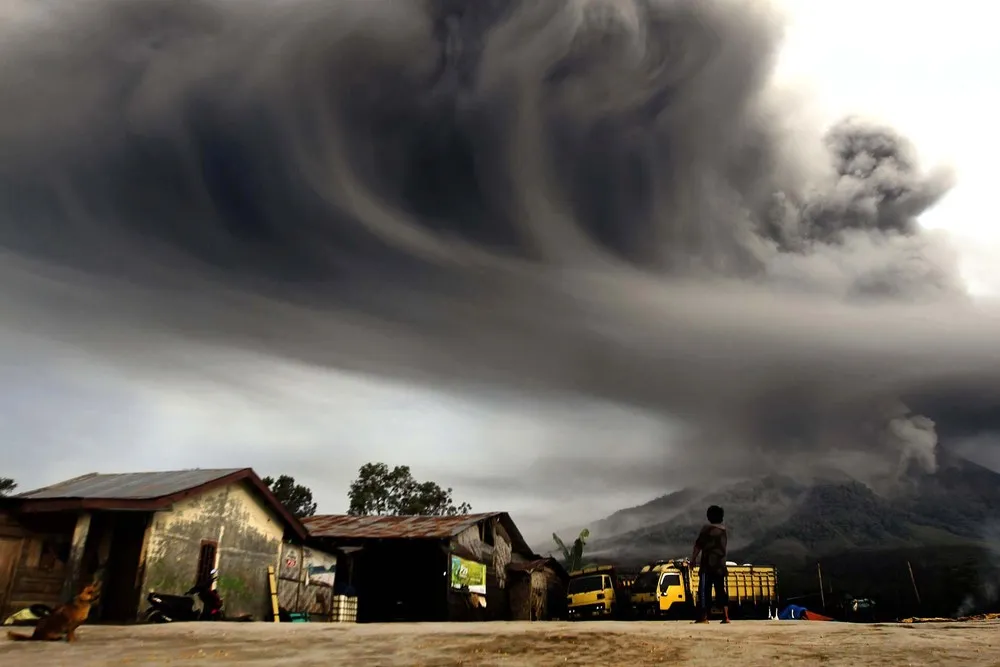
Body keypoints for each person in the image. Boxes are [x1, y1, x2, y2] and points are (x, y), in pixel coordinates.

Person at [690, 504, 729, 624]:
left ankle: (703, 617)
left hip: (708, 565)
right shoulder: (724, 531)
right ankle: (726, 617)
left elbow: (698, 545)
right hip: (720, 566)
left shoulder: (707, 529)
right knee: (720, 591)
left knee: (704, 591)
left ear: (709, 516)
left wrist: (693, 559)